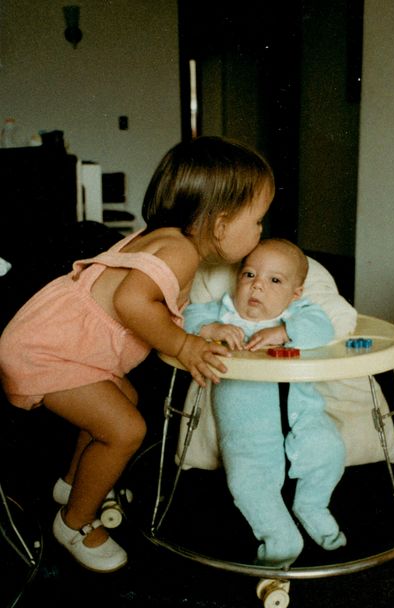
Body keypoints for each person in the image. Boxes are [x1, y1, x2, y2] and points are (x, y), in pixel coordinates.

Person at [0, 135, 275, 572]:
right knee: (126, 428)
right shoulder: (180, 252)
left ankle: (75, 483)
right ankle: (74, 521)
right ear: (221, 225)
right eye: (257, 220)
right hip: (48, 353)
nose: (261, 230)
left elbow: (155, 304)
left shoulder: (162, 240)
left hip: (61, 346)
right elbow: (132, 303)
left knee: (120, 400)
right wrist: (185, 345)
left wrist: (201, 327)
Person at [183, 238, 347, 568]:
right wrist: (210, 328)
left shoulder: (301, 314)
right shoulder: (223, 311)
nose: (257, 286)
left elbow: (324, 328)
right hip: (247, 429)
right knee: (246, 481)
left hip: (304, 417)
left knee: (330, 452)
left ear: (295, 293)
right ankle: (280, 536)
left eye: (274, 281)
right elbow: (185, 318)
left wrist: (285, 332)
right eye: (249, 275)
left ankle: (312, 505)